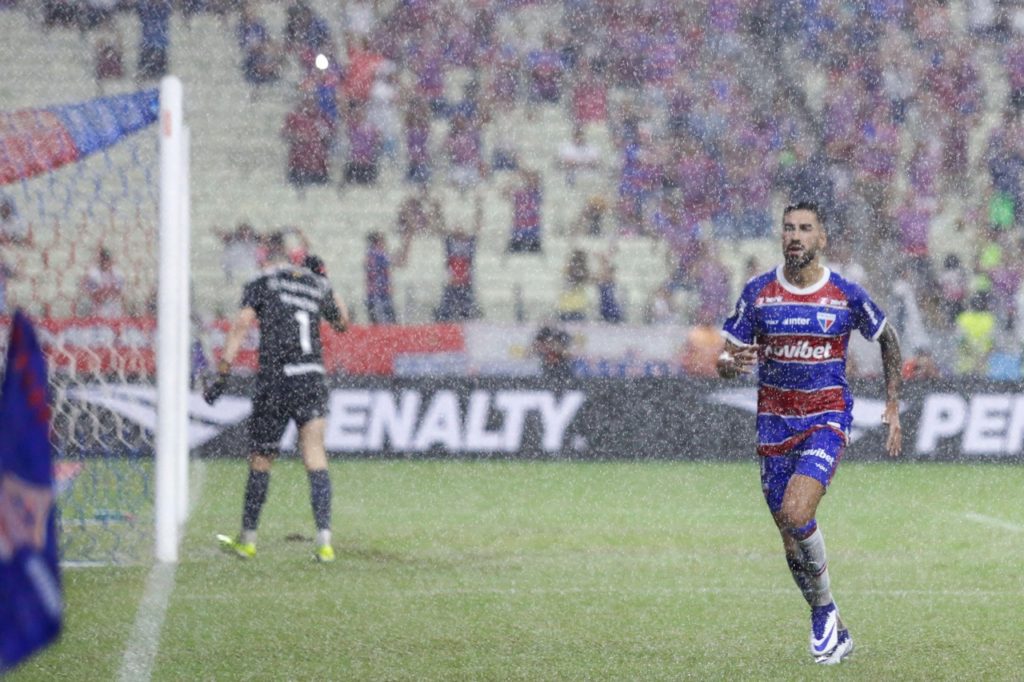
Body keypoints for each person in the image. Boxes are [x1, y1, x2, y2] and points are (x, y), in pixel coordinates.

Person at [716, 202, 902, 666]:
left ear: (822, 239)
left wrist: (893, 405)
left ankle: (822, 616)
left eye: (805, 229)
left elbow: (887, 337)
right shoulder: (759, 293)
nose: (795, 235)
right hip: (774, 425)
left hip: (826, 418)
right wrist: (725, 365)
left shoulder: (843, 294)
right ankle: (828, 615)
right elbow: (726, 357)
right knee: (788, 534)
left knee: (799, 513)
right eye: (788, 228)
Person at [205, 232, 350, 563]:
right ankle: (324, 542)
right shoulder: (314, 283)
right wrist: (327, 280)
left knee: (261, 459)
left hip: (276, 378)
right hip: (311, 377)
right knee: (314, 455)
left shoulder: (262, 281)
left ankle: (249, 539)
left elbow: (242, 324)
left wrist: (223, 373)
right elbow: (342, 323)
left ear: (267, 258)